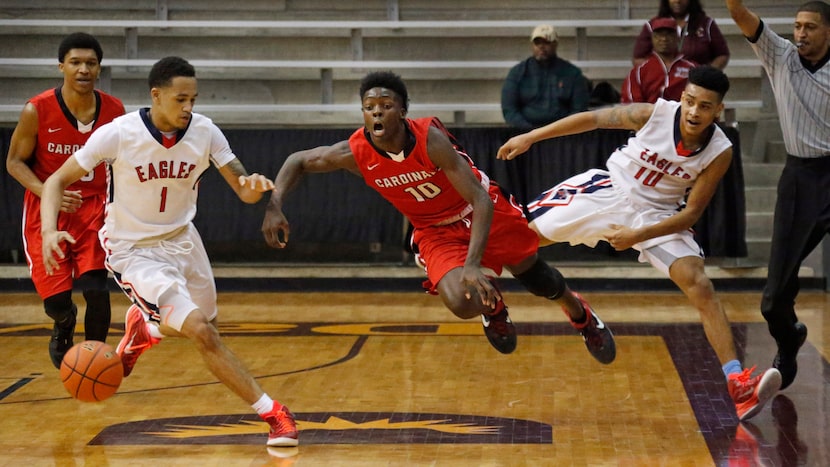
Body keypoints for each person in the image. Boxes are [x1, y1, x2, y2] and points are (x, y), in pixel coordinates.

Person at [262, 70, 615, 365]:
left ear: (401, 111)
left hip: (478, 209)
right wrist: (274, 204)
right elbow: (299, 160)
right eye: (369, 108)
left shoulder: (429, 140)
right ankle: (493, 309)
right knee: (462, 301)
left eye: (386, 106)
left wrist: (474, 263)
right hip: (434, 230)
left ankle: (580, 313)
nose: (377, 114)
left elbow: (480, 199)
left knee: (537, 278)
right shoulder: (356, 152)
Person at [38, 56, 298, 448]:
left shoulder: (206, 131)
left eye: (193, 99)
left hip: (183, 239)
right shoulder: (118, 134)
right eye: (180, 99)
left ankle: (147, 329)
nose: (188, 108)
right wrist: (47, 231)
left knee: (208, 320)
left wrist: (256, 187)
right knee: (201, 332)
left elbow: (242, 188)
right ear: (156, 95)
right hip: (133, 249)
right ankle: (274, 413)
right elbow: (57, 179)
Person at [497, 66, 781, 421]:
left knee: (700, 285)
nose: (694, 112)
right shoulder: (653, 114)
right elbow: (592, 119)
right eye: (690, 101)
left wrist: (636, 236)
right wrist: (532, 137)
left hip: (659, 216)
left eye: (705, 107)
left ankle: (737, 383)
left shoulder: (720, 150)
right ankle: (466, 257)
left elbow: (691, 214)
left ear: (718, 111)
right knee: (519, 236)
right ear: (682, 98)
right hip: (610, 190)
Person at [725, 0, 830, 391]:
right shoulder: (780, 55)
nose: (801, 33)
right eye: (798, 25)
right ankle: (789, 342)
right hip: (801, 178)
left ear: (828, 32)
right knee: (772, 299)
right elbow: (739, 14)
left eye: (811, 27)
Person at [5, 32, 125, 369]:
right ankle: (63, 322)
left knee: (97, 290)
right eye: (75, 62)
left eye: (91, 63)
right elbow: (14, 162)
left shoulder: (115, 110)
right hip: (47, 209)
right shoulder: (37, 109)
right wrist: (49, 192)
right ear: (62, 66)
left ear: (99, 69)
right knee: (56, 301)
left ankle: (96, 361)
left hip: (95, 208)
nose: (83, 69)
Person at [501, 24, 591, 129]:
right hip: (525, 134)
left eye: (547, 42)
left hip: (563, 135)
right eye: (537, 42)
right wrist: (530, 132)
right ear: (532, 45)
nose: (541, 46)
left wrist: (559, 131)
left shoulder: (572, 73)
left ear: (555, 44)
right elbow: (509, 110)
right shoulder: (517, 73)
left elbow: (579, 110)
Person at [633, 0, 730, 69]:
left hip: (696, 85)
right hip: (662, 86)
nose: (677, 1)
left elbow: (722, 54)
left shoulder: (706, 24)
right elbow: (638, 58)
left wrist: (707, 74)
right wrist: (658, 72)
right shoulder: (653, 25)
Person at [622, 17, 697, 103]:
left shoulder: (692, 68)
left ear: (677, 38)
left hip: (681, 114)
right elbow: (632, 103)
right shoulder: (639, 72)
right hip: (649, 115)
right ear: (652, 39)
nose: (664, 39)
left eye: (669, 34)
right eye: (659, 35)